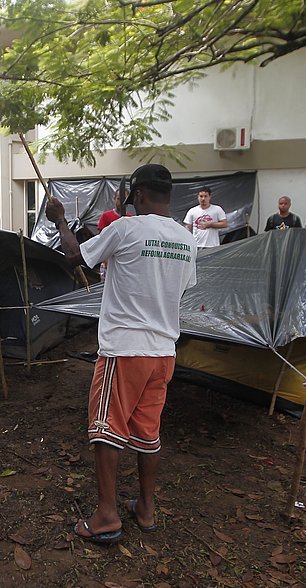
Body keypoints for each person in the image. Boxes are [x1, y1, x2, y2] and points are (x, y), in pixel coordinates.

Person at [46, 164, 197, 544]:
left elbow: (74, 256)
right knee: (147, 433)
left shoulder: (126, 228)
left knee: (106, 430)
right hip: (163, 352)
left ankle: (106, 516)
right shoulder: (186, 238)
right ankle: (145, 509)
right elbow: (181, 290)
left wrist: (60, 220)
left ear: (139, 195)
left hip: (125, 350)